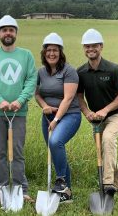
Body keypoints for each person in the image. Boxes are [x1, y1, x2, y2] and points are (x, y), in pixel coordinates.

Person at [0, 15, 37, 203]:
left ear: (16, 33)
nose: (8, 33)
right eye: (4, 30)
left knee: (18, 151)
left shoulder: (26, 55)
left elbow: (31, 80)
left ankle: (22, 189)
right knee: (0, 153)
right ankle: (1, 189)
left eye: (11, 30)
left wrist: (20, 101)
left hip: (18, 113)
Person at [77, 28, 118, 196]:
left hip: (117, 114)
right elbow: (78, 97)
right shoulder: (81, 72)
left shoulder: (114, 69)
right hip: (96, 118)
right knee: (104, 149)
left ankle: (106, 184)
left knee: (108, 139)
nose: (90, 49)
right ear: (84, 48)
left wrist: (105, 110)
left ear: (101, 47)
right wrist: (87, 112)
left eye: (94, 46)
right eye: (87, 46)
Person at [34, 33, 81, 203]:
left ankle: (60, 180)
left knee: (55, 143)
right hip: (48, 116)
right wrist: (44, 106)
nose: (51, 54)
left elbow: (68, 98)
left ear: (60, 52)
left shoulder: (69, 71)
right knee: (54, 150)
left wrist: (56, 120)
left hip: (69, 115)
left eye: (55, 50)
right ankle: (66, 191)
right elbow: (37, 94)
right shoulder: (41, 72)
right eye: (48, 50)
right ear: (44, 53)